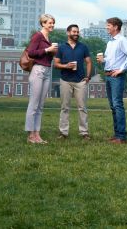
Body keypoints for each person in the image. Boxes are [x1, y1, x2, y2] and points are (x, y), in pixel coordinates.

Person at [97, 17, 127, 144]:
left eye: (108, 25)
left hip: (117, 76)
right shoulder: (110, 43)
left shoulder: (122, 40)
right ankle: (117, 135)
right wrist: (103, 61)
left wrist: (122, 69)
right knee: (113, 106)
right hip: (108, 75)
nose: (106, 27)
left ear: (115, 27)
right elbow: (110, 59)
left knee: (117, 105)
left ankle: (121, 137)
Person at [54, 24, 92, 140]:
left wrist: (88, 77)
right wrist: (66, 66)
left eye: (77, 32)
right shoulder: (61, 47)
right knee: (65, 107)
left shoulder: (83, 47)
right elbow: (56, 64)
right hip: (65, 80)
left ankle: (84, 132)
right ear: (68, 33)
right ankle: (63, 133)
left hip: (80, 81)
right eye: (74, 32)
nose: (76, 34)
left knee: (82, 107)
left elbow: (89, 62)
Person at [25, 14, 58, 144]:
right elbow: (31, 52)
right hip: (38, 71)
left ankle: (37, 134)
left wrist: (52, 53)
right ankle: (30, 135)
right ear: (43, 23)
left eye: (53, 23)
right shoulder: (38, 36)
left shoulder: (47, 38)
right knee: (33, 104)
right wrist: (47, 50)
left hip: (47, 71)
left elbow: (45, 55)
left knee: (40, 106)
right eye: (50, 23)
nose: (52, 25)